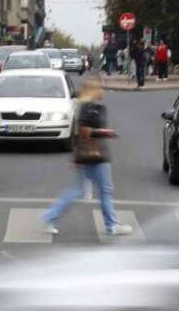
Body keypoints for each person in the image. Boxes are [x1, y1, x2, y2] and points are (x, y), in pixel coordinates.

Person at [41, 80, 133, 237]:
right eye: (100, 88)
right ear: (93, 90)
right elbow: (85, 131)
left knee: (78, 190)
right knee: (104, 190)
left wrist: (76, 156)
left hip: (86, 155)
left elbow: (79, 133)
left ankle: (50, 216)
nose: (102, 91)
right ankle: (112, 225)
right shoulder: (90, 108)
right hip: (95, 155)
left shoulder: (86, 106)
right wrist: (105, 132)